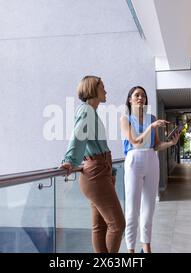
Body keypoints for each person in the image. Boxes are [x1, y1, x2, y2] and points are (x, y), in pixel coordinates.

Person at [60, 75, 125, 253]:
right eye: (102, 87)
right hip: (96, 173)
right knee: (117, 224)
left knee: (101, 226)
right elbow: (78, 135)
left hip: (100, 170)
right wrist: (70, 160)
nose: (106, 91)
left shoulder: (90, 111)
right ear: (92, 89)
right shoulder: (86, 111)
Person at [120, 86, 179, 253]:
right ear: (130, 99)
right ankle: (130, 250)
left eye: (143, 96)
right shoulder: (125, 119)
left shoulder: (151, 117)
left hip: (151, 160)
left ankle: (147, 248)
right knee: (132, 209)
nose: (141, 98)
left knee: (149, 207)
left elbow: (156, 145)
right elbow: (135, 141)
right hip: (133, 160)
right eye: (137, 95)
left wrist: (171, 143)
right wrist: (151, 127)